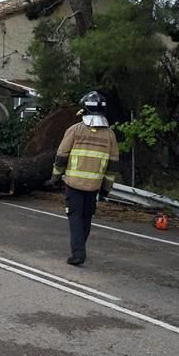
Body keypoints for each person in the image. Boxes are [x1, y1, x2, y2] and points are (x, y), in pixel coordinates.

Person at [51, 91, 120, 266]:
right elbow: (113, 166)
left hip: (74, 183)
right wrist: (106, 189)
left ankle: (78, 254)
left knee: (75, 217)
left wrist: (56, 177)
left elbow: (61, 156)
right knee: (86, 217)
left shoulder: (75, 130)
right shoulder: (110, 135)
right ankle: (80, 247)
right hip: (94, 186)